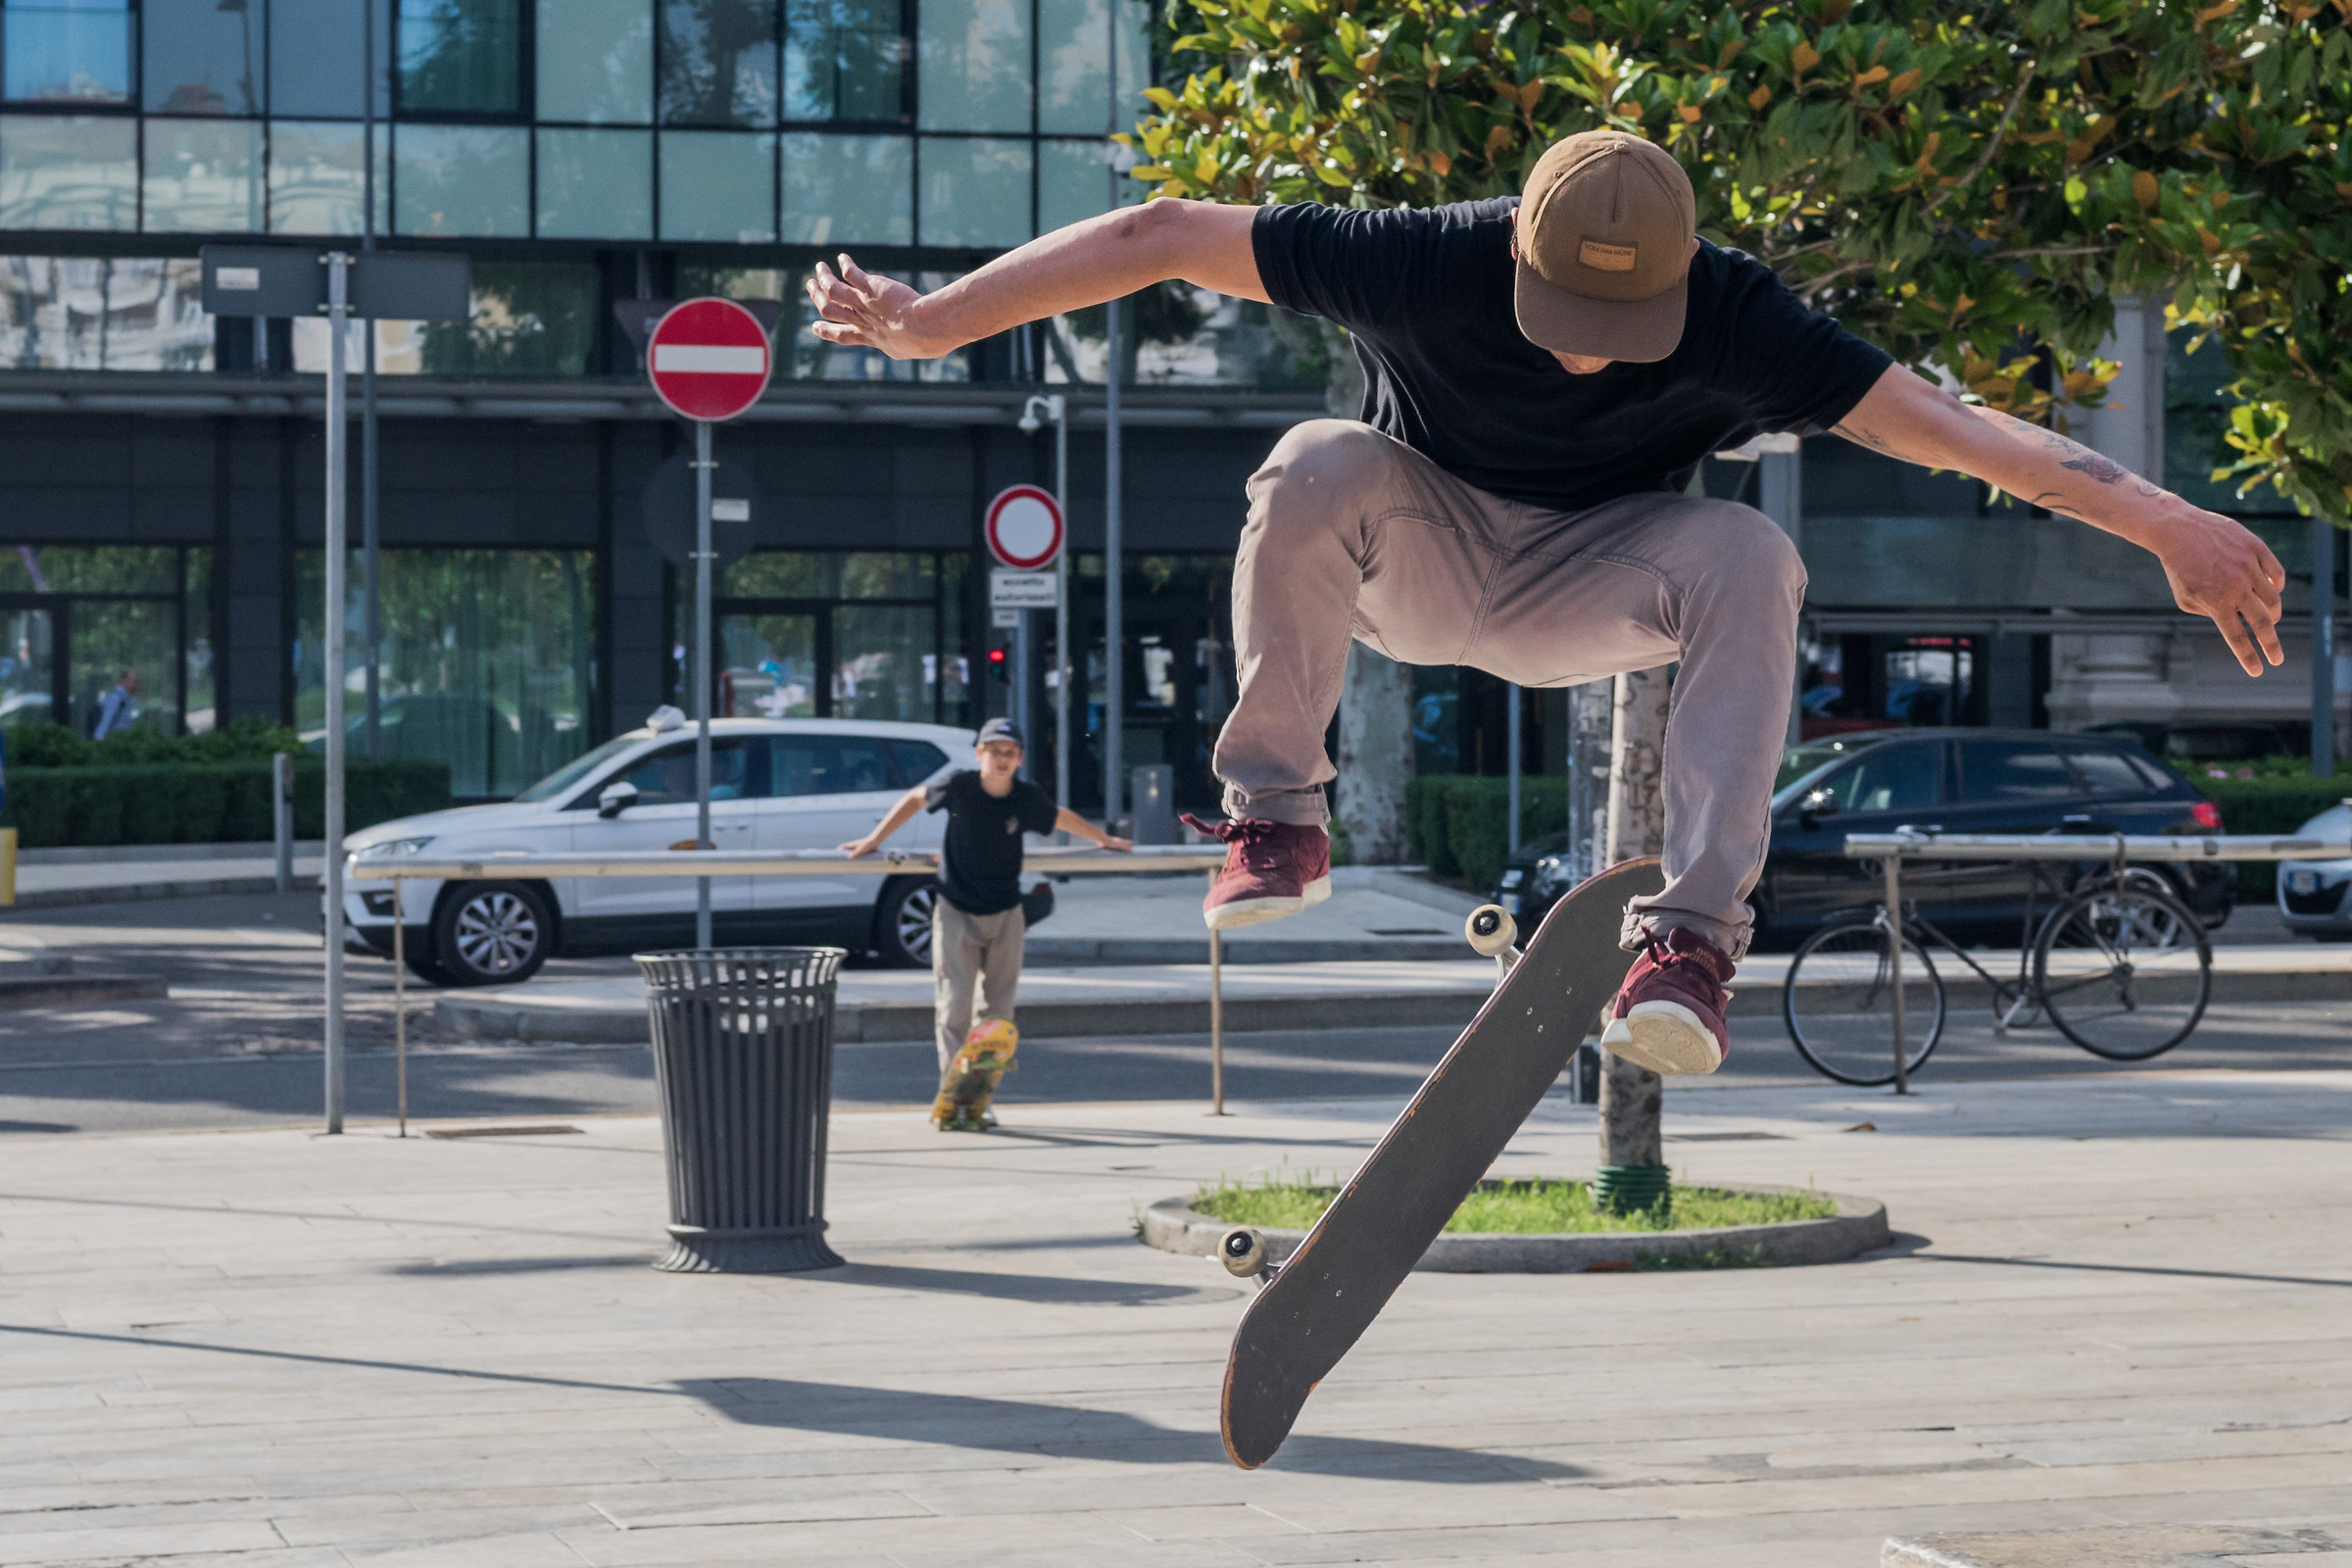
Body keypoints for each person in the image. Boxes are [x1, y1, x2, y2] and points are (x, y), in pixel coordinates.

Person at [805, 128, 2283, 1081]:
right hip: (1418, 554)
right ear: (1513, 243)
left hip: (1597, 579)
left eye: (1619, 330)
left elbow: (1959, 434)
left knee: (1751, 554)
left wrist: (2167, 522)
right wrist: (935, 322)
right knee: (1312, 460)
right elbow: (1164, 230)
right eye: (1564, 319)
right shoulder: (1422, 254)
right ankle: (1280, 812)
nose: (1585, 354)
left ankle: (1690, 946)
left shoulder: (1744, 315)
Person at [842, 718, 1132, 1098]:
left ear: (1020, 758)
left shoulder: (1026, 797)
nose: (1001, 759)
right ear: (979, 753)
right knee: (955, 1006)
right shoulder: (959, 785)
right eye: (994, 751)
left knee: (998, 1014)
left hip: (1005, 911)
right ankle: (954, 1093)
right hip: (955, 907)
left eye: (1010, 752)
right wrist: (874, 838)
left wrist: (1104, 839)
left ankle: (978, 1095)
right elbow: (915, 798)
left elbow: (1059, 816)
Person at [92, 669, 138, 739]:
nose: (135, 684)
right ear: (124, 680)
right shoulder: (116, 698)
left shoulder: (126, 698)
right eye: (133, 680)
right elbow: (106, 720)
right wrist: (99, 740)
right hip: (115, 740)